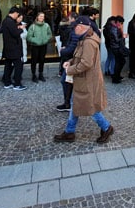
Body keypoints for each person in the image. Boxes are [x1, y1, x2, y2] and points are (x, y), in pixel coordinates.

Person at [53, 15, 114, 144]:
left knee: (90, 108)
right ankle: (69, 132)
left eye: (75, 27)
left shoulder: (88, 42)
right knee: (76, 104)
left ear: (80, 27)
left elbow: (86, 63)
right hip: (84, 80)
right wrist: (70, 62)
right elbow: (80, 58)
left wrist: (70, 70)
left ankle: (106, 127)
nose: (73, 30)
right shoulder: (85, 39)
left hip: (87, 81)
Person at [1, 7, 27, 90]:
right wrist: (21, 29)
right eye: (17, 15)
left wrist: (18, 28)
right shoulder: (10, 21)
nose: (17, 17)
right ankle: (17, 84)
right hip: (14, 48)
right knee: (18, 66)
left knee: (8, 65)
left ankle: (7, 82)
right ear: (15, 13)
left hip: (8, 47)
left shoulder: (5, 21)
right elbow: (15, 33)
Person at [26, 11, 52, 82]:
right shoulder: (33, 26)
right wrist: (36, 40)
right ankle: (33, 75)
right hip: (35, 46)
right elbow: (28, 37)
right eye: (40, 16)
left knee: (42, 60)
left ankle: (41, 74)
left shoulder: (46, 25)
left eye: (43, 16)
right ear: (37, 17)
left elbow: (50, 34)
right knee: (34, 61)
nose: (41, 18)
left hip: (43, 45)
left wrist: (46, 40)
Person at [107, 16, 127, 84]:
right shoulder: (114, 28)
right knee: (119, 62)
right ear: (118, 22)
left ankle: (117, 76)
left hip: (116, 47)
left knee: (120, 62)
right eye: (121, 23)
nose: (121, 24)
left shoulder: (115, 27)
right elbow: (116, 40)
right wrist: (123, 37)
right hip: (116, 48)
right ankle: (116, 78)